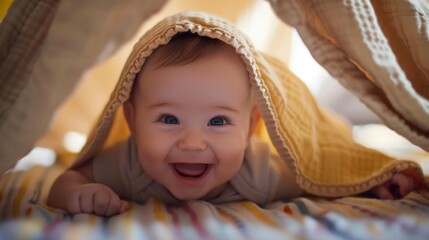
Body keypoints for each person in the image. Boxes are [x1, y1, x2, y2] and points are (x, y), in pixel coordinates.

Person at [47, 14, 421, 217]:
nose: (192, 143)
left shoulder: (259, 173)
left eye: (218, 121)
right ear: (131, 121)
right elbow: (69, 178)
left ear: (251, 126)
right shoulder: (129, 164)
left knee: (339, 130)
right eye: (168, 119)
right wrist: (78, 194)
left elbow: (325, 174)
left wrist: (372, 183)